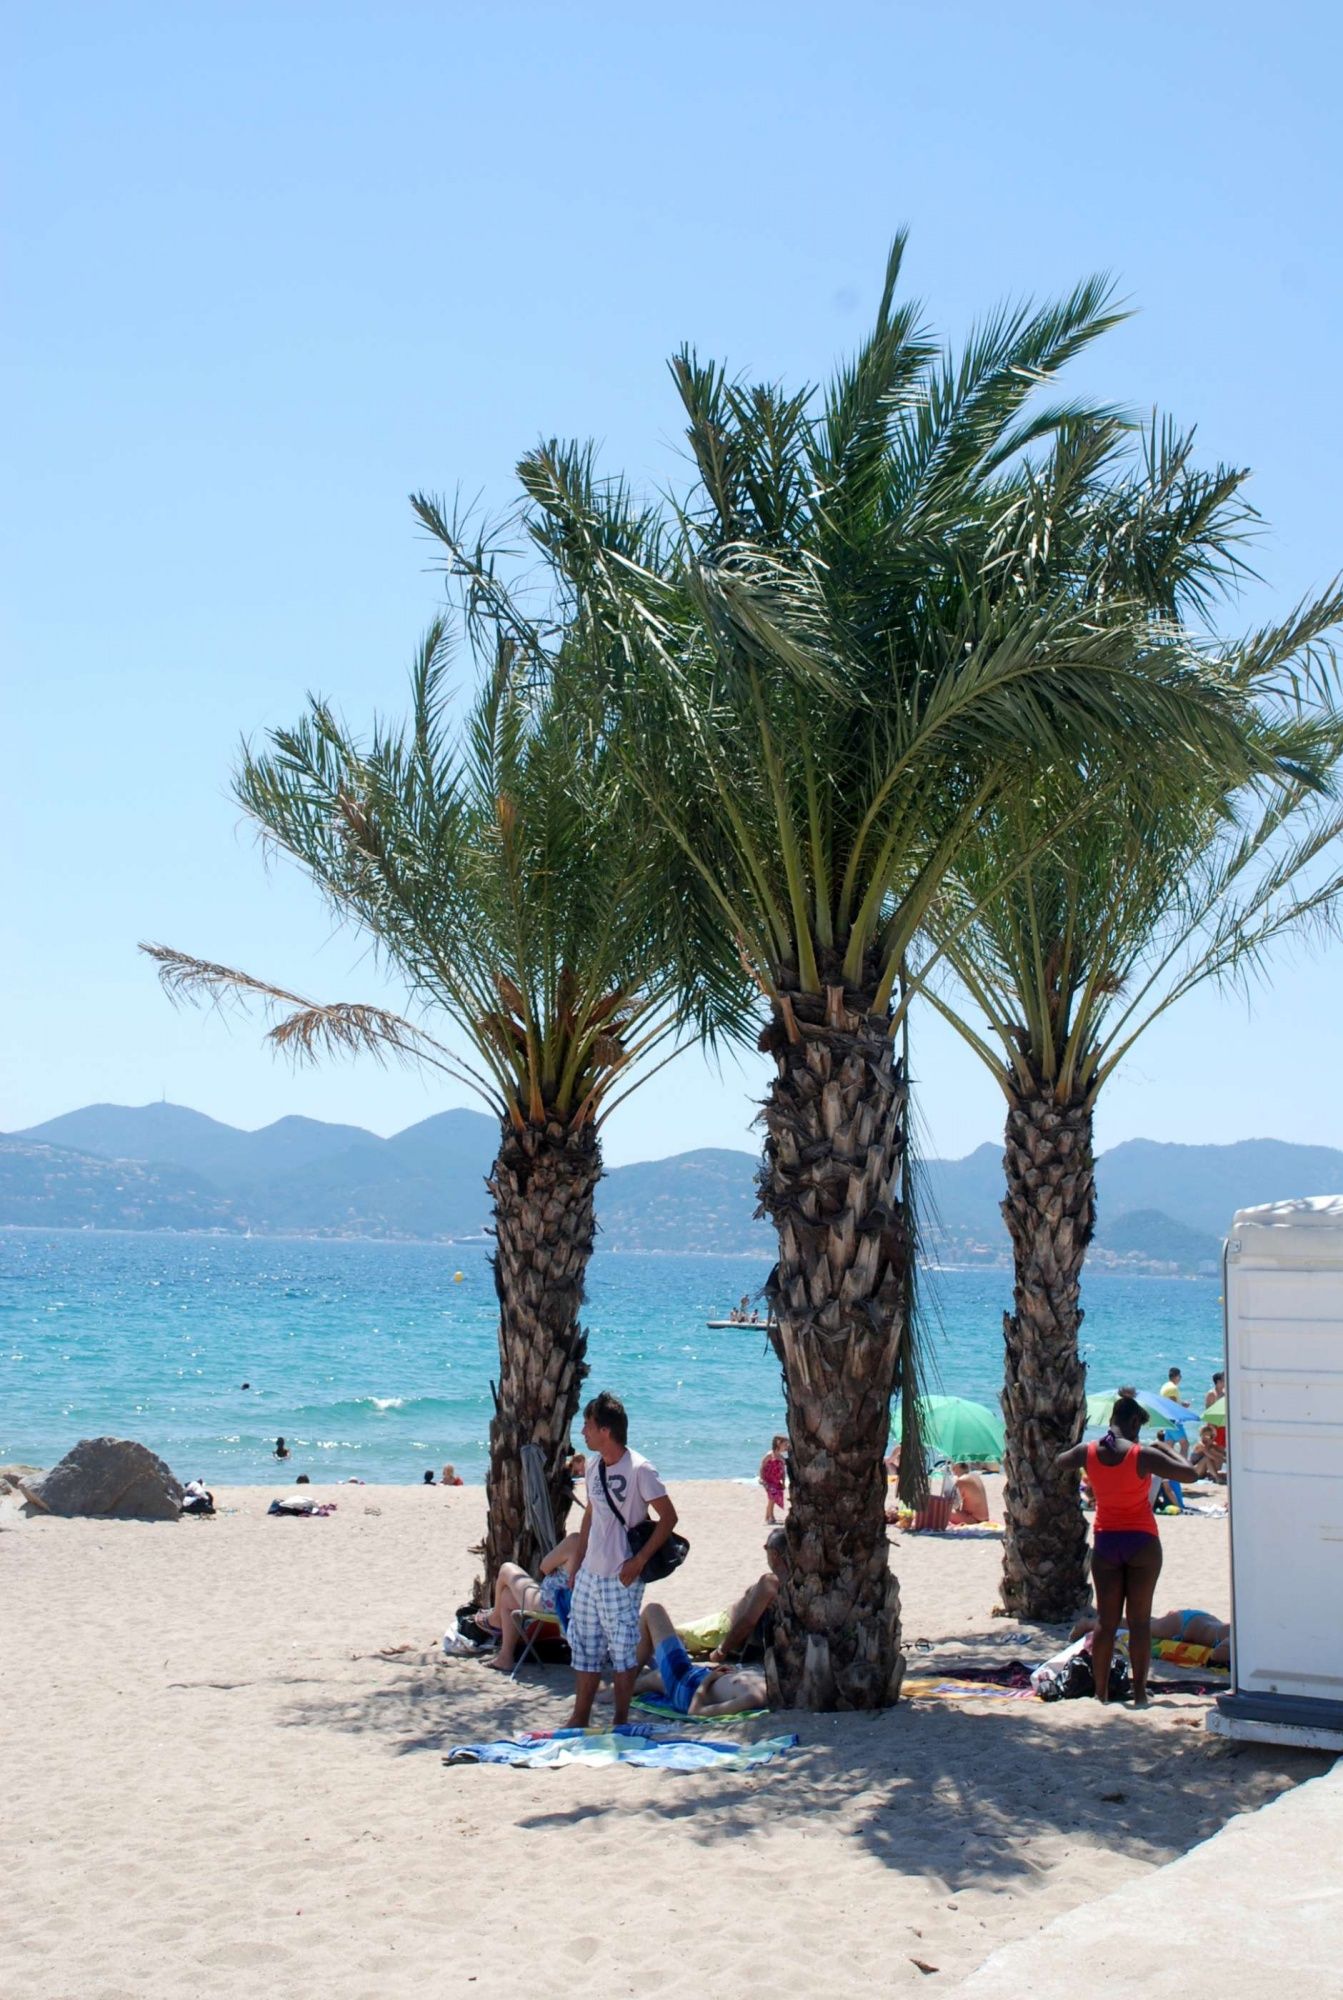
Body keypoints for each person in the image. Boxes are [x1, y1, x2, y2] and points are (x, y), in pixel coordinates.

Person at [1056, 1395, 1205, 1708]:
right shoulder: (1143, 1454)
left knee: (1106, 1623)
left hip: (1107, 1544)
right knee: (1139, 1624)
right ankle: (1139, 1695)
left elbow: (1059, 1461)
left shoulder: (1089, 1451)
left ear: (1112, 1419)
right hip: (1142, 1542)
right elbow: (1191, 1473)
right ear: (1135, 1422)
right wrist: (1164, 1448)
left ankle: (1100, 1694)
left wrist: (1092, 1451)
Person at [563, 1391, 679, 1728]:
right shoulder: (594, 1466)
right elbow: (591, 1514)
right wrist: (577, 1562)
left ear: (606, 1430)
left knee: (622, 1650)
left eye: (588, 1425)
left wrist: (638, 1561)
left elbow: (669, 1518)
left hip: (622, 1574)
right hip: (590, 1572)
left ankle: (620, 1720)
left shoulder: (641, 1469)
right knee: (584, 1646)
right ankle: (579, 1718)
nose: (583, 1432)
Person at [634, 1602, 768, 1717]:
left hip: (685, 1684)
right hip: (691, 1675)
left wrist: (708, 1679)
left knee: (653, 1610)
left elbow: (695, 1711)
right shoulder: (770, 1681)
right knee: (656, 1670)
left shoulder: (753, 1698)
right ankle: (640, 1666)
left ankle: (628, 1678)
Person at [476, 1531, 581, 1673]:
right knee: (507, 1596)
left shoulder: (576, 1541)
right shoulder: (603, 1552)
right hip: (577, 1608)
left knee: (506, 1569)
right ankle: (505, 1658)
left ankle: (495, 1619)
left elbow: (544, 1567)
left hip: (551, 1603)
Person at [678, 1528, 787, 1661]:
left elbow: (747, 1621)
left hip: (720, 1630)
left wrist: (720, 1651)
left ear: (774, 1554)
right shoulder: (793, 1580)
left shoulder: (770, 1582)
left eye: (766, 1548)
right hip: (722, 1627)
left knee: (672, 1634)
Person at [1072, 1606, 1229, 1667]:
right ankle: (1090, 1623)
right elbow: (1218, 1654)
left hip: (1198, 1621)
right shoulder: (1236, 1637)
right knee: (1136, 1627)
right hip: (1183, 1625)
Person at [758, 1435, 788, 1523]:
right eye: (785, 1445)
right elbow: (762, 1466)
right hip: (768, 1480)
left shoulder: (781, 1457)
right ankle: (771, 1517)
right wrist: (761, 1478)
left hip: (776, 1481)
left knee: (773, 1499)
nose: (786, 1447)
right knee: (772, 1497)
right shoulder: (769, 1455)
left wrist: (783, 1482)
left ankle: (768, 1516)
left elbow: (783, 1471)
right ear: (779, 1444)